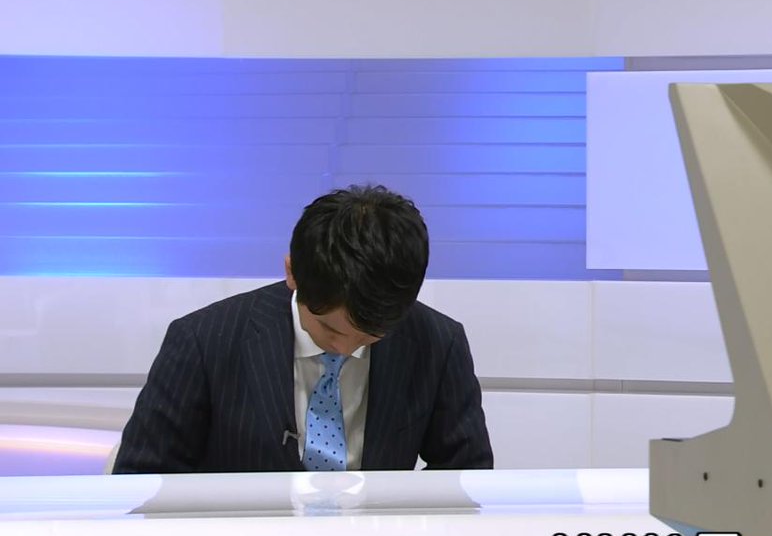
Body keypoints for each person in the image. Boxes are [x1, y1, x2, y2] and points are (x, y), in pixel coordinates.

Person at [113, 185, 493, 473]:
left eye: (369, 335)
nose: (345, 349)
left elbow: (465, 477)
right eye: (330, 330)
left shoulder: (438, 344)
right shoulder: (203, 341)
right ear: (292, 272)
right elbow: (142, 480)